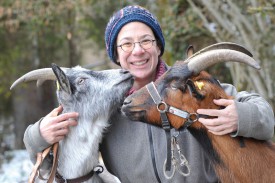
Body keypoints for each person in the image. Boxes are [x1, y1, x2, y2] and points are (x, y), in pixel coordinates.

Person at [23, 5, 275, 183]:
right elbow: (58, 168)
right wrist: (38, 137)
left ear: (158, 46)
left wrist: (241, 116)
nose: (137, 51)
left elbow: (265, 117)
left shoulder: (190, 88)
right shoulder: (106, 108)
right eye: (126, 44)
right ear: (117, 54)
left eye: (146, 40)